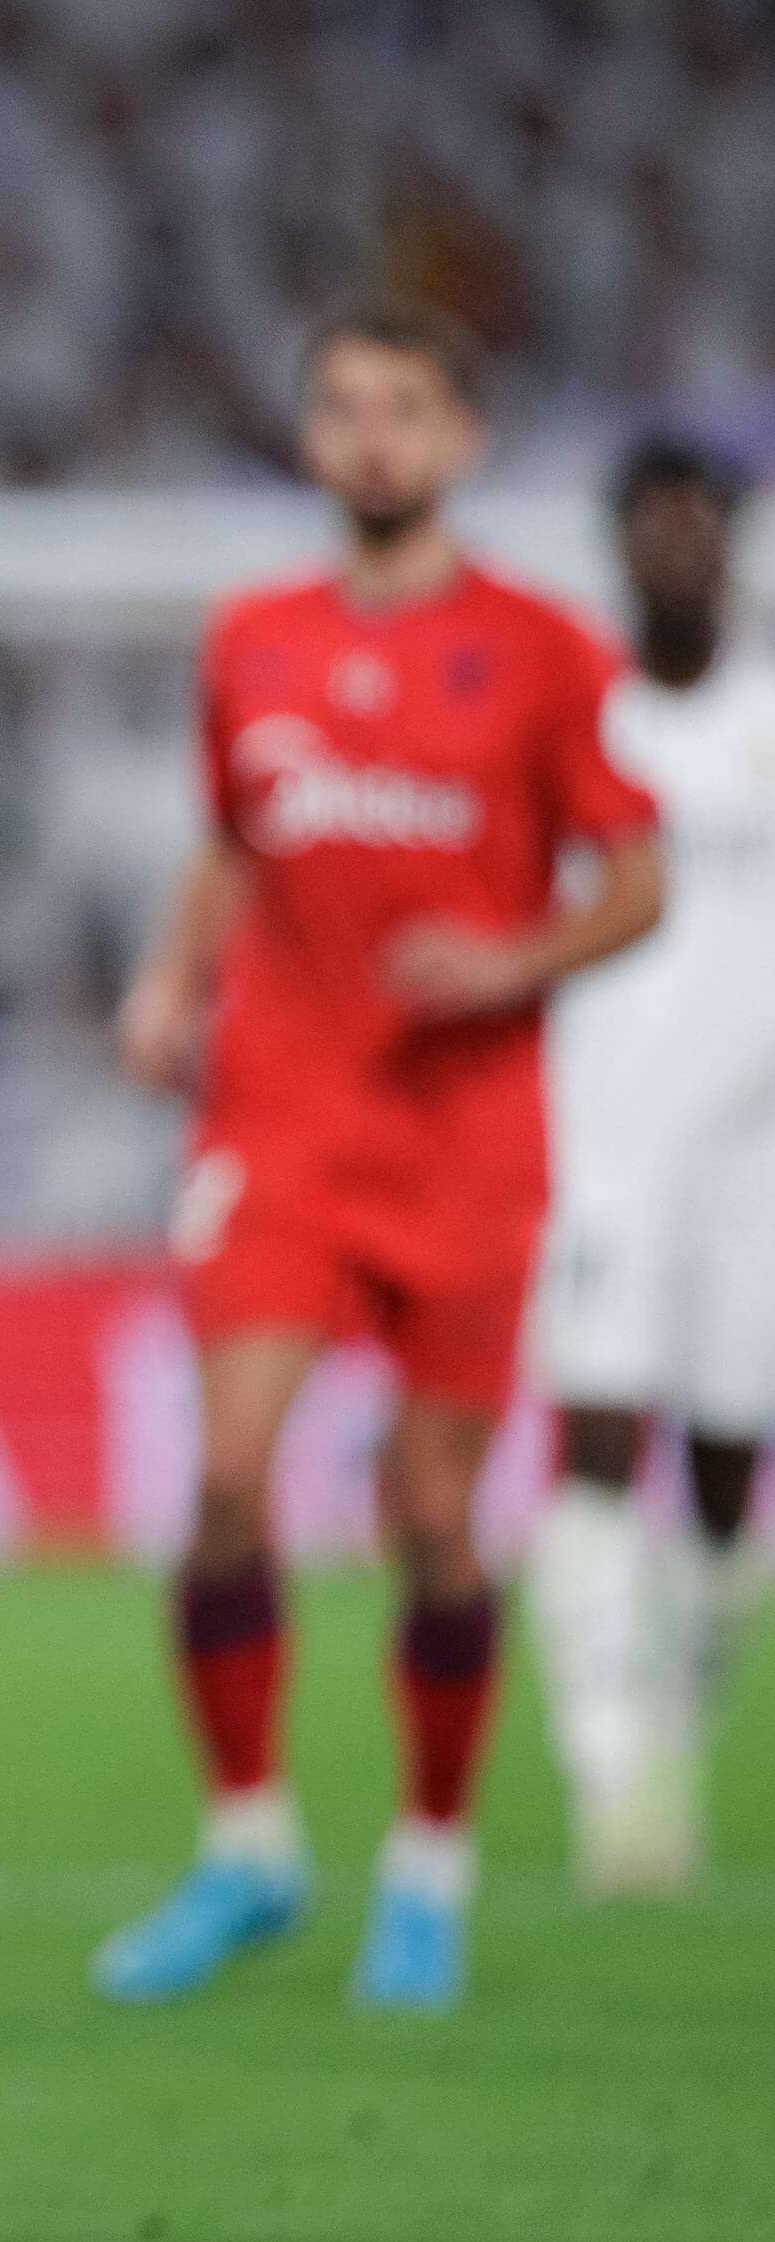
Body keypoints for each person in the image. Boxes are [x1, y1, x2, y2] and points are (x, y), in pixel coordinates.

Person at [97, 304, 662, 2014]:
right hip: (280, 1114)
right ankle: (251, 1843)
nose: (368, 440)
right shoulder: (251, 635)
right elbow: (233, 839)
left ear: (463, 439)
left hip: (467, 1137)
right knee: (222, 1485)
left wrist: (509, 962)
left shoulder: (546, 650)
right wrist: (172, 973)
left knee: (432, 1515)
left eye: (403, 410)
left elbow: (636, 882)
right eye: (341, 407)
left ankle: (428, 1864)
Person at [528, 431, 774, 1895]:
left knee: (732, 1459)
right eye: (652, 519)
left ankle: (684, 1707)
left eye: (703, 517)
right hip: (600, 1138)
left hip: (756, 1154)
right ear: (618, 541)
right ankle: (609, 1760)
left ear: (733, 537)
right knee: (601, 1436)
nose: (677, 543)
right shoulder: (578, 717)